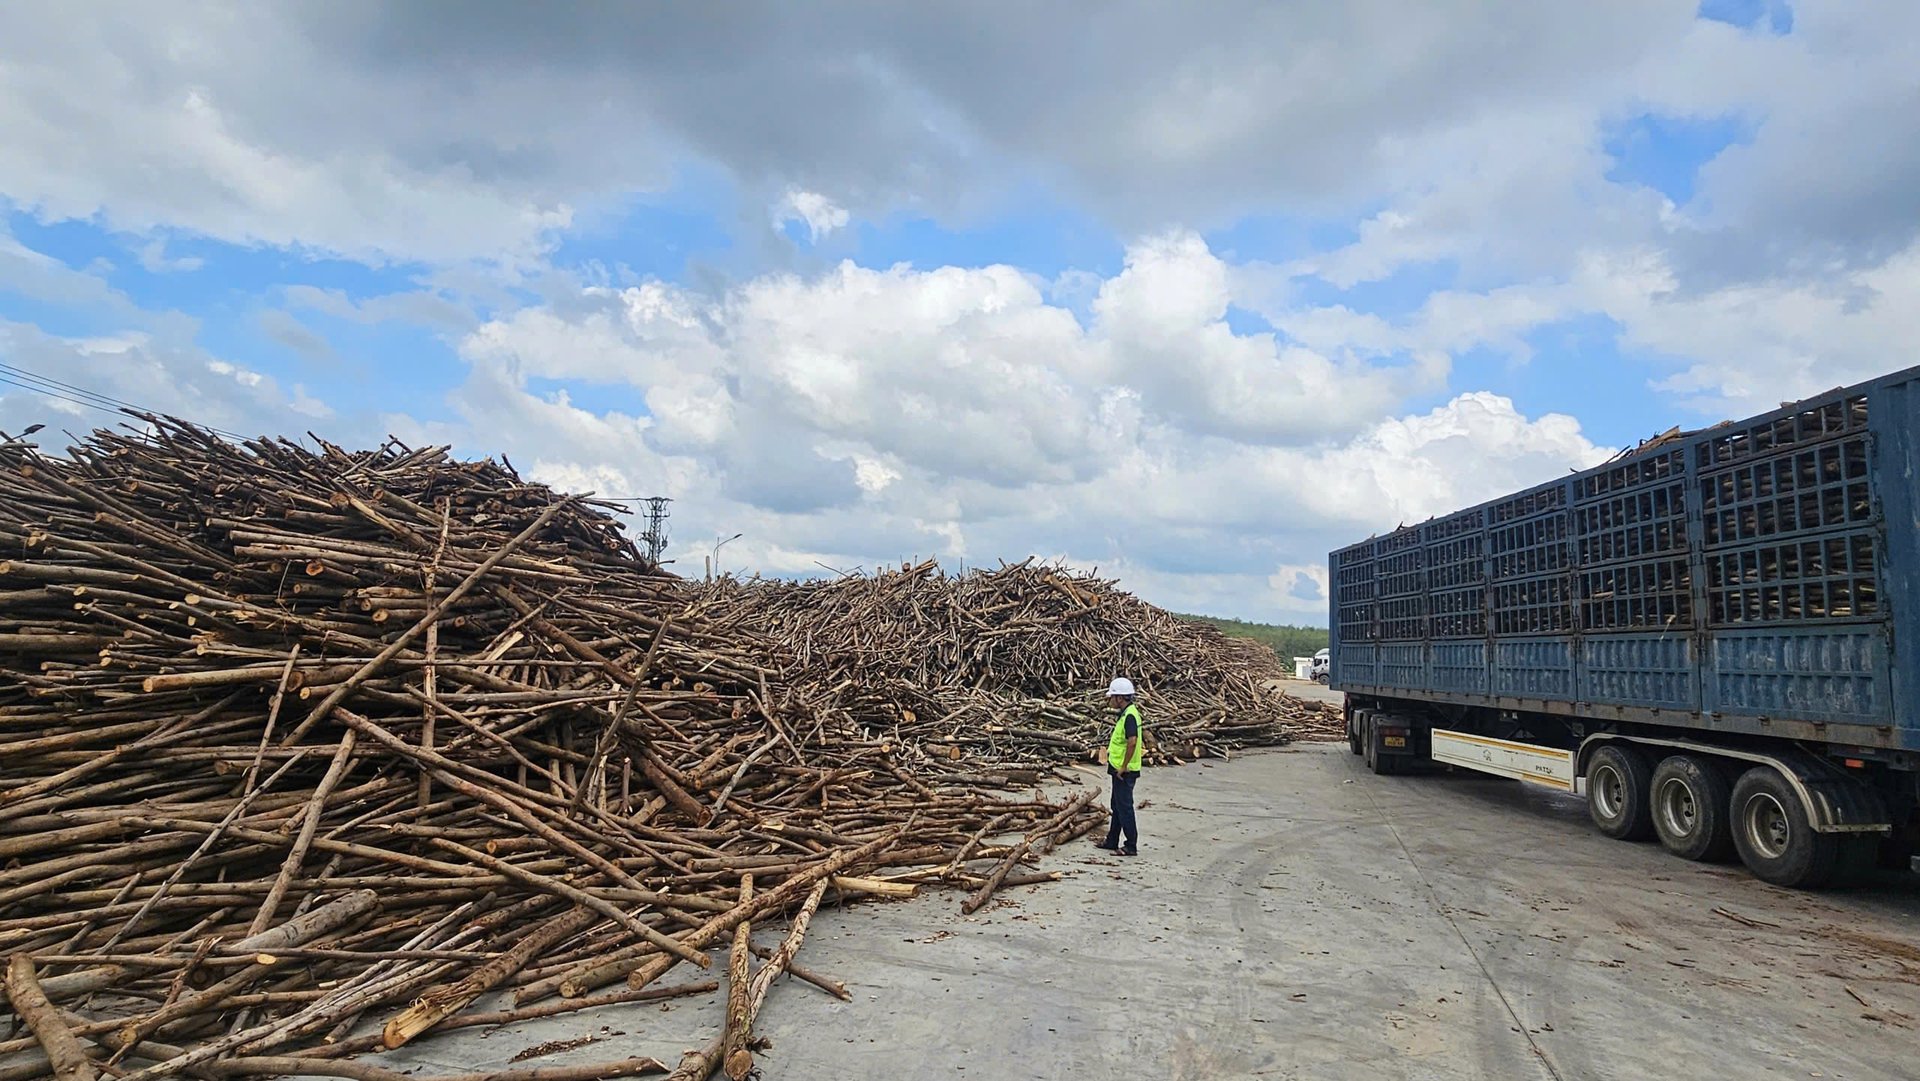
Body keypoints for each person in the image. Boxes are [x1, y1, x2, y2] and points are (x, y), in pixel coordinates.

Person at [1095, 677, 1144, 856]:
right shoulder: (1126, 713)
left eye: (1112, 697)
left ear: (1120, 698)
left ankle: (1131, 845)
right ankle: (1112, 840)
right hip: (1119, 768)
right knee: (1116, 805)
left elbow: (1132, 742)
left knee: (1124, 808)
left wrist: (1123, 766)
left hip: (1125, 770)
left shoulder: (1130, 715)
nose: (1110, 700)